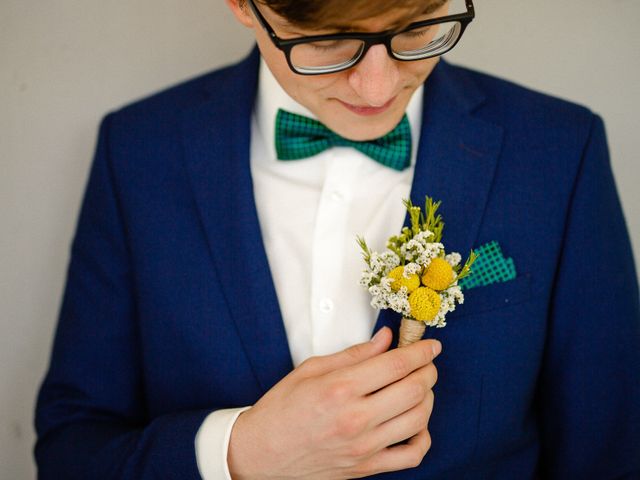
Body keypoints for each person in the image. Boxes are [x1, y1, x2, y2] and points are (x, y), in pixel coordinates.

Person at [34, 0, 640, 478]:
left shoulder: (560, 151)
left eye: (416, 26)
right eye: (326, 43)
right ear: (243, 5)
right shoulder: (137, 150)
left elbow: (613, 453)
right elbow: (72, 447)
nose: (377, 88)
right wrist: (240, 452)